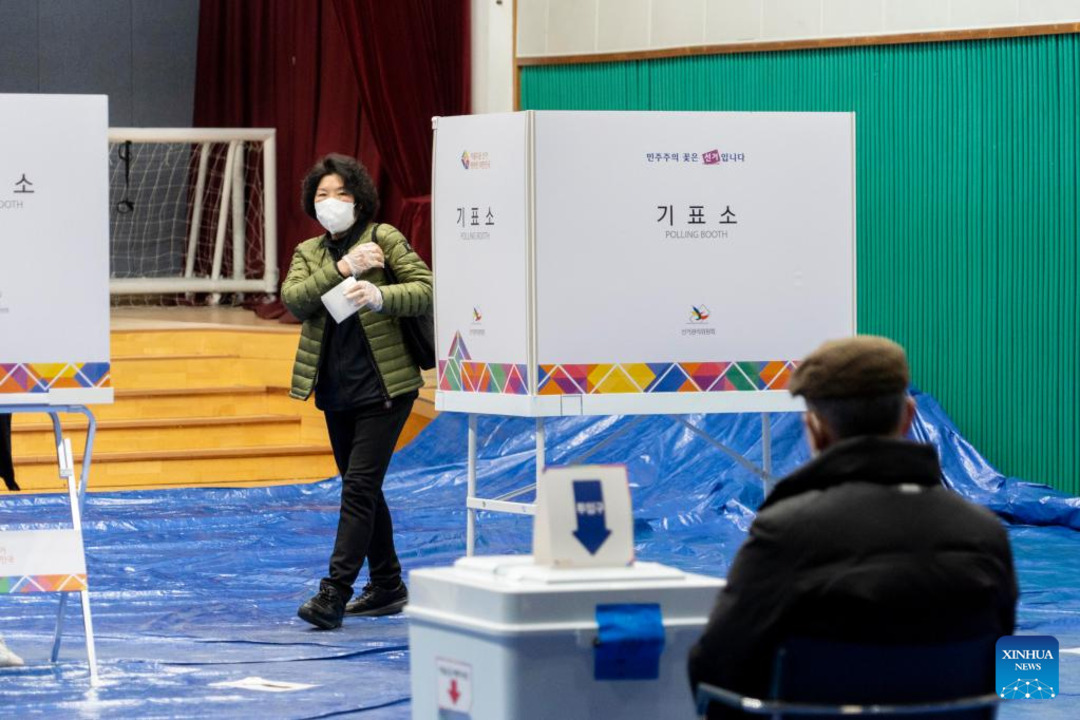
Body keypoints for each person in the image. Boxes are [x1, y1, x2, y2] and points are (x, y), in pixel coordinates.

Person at [688, 336, 1017, 716]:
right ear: (909, 416)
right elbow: (1003, 658)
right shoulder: (985, 532)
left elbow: (716, 668)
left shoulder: (786, 532)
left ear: (815, 429)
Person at [282, 154, 432, 630]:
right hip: (335, 387)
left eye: (342, 194)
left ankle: (334, 592)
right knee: (362, 489)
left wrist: (381, 295)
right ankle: (388, 584)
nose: (332, 203)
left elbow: (427, 290)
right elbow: (295, 301)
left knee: (359, 487)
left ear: (360, 199)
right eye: (323, 195)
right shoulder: (310, 252)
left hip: (386, 385)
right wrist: (344, 268)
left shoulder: (383, 237)